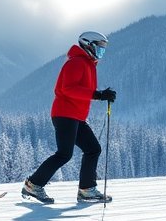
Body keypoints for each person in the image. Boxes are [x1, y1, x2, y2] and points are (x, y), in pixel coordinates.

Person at [21, 32, 116, 205]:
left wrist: (101, 95)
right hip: (65, 114)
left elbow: (81, 91)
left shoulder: (88, 64)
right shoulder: (76, 62)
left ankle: (87, 189)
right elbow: (68, 89)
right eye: (99, 48)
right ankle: (33, 184)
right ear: (88, 45)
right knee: (64, 154)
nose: (101, 52)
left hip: (76, 116)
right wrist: (98, 94)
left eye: (103, 49)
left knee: (93, 148)